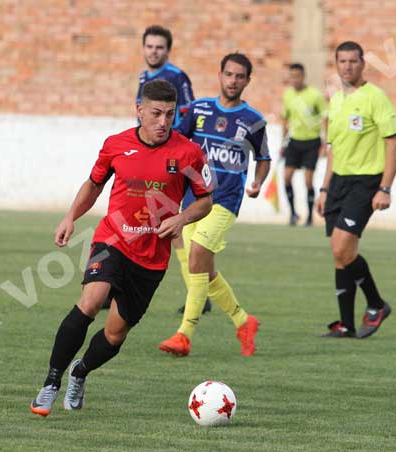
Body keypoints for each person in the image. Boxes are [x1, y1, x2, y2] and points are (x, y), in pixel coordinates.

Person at [30, 79, 213, 417]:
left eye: (170, 114)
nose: (163, 122)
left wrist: (182, 217)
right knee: (90, 302)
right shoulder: (116, 145)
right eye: (156, 113)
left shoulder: (188, 153)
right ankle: (51, 383)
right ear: (139, 110)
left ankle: (80, 372)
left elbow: (205, 200)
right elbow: (94, 185)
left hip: (152, 258)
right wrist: (70, 217)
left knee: (115, 334)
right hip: (112, 240)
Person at [158, 52, 270, 357]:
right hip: (194, 200)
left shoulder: (253, 120)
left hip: (226, 201)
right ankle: (243, 321)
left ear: (247, 81)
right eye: (228, 74)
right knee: (203, 270)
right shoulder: (199, 109)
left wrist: (258, 182)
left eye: (239, 76)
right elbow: (176, 143)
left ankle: (184, 334)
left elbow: (263, 158)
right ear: (220, 75)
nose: (233, 81)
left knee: (197, 254)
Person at [315, 41, 396, 339]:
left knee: (342, 247)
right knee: (340, 254)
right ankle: (346, 324)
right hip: (338, 183)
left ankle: (377, 304)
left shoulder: (376, 98)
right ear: (336, 64)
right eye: (342, 61)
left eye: (353, 61)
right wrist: (324, 189)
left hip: (366, 182)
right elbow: (334, 149)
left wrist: (385, 188)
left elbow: (394, 144)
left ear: (363, 64)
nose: (348, 66)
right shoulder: (336, 99)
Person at [135, 25, 209, 315]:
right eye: (149, 46)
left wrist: (177, 152)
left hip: (170, 160)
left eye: (159, 47)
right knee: (141, 219)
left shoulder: (177, 77)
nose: (154, 52)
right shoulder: (144, 77)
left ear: (168, 50)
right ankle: (197, 292)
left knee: (171, 226)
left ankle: (197, 292)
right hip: (148, 156)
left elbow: (189, 115)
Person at [280, 63, 328, 226]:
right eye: (292, 76)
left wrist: (325, 143)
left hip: (312, 142)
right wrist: (283, 143)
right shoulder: (288, 95)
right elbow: (285, 120)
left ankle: (309, 217)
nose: (295, 79)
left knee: (308, 181)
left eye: (298, 76)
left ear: (303, 76)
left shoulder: (315, 95)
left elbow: (325, 117)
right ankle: (293, 214)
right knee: (286, 177)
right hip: (294, 141)